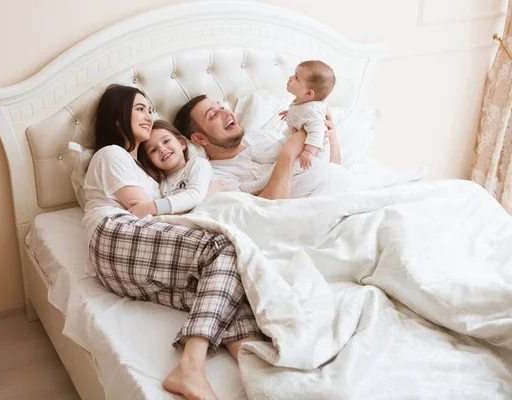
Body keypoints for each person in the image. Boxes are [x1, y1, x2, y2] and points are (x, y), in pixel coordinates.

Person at [82, 84, 304, 400]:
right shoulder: (111, 154)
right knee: (224, 247)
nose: (148, 115)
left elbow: (161, 214)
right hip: (113, 236)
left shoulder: (150, 175)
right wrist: (202, 196)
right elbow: (142, 211)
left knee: (226, 290)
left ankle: (267, 385)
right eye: (139, 109)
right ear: (118, 119)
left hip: (129, 263)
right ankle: (190, 367)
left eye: (150, 109)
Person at [173, 93, 352, 199]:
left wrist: (329, 135)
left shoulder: (260, 136)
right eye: (213, 115)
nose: (226, 112)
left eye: (222, 106)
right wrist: (287, 156)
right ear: (200, 139)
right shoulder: (214, 175)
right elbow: (265, 211)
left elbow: (332, 167)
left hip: (337, 190)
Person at [127, 120, 214, 218]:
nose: (162, 149)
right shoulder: (161, 185)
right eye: (153, 150)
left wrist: (153, 207)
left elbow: (195, 195)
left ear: (182, 144)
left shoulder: (198, 164)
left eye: (166, 141)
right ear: (150, 162)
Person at [281, 60, 335, 170]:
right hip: (297, 146)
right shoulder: (304, 103)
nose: (290, 78)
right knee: (279, 150)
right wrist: (292, 114)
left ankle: (261, 183)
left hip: (312, 157)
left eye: (296, 78)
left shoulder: (314, 112)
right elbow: (303, 116)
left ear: (309, 94)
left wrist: (308, 152)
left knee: (283, 167)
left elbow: (318, 132)